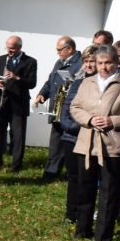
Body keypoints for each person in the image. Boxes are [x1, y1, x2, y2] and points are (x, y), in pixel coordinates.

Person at [69, 44, 120, 241]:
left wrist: (112, 121)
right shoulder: (87, 82)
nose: (104, 67)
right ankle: (82, 230)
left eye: (108, 62)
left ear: (117, 63)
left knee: (109, 192)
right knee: (85, 189)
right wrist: (90, 119)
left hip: (112, 146)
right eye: (100, 63)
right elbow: (75, 107)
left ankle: (102, 237)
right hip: (86, 143)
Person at [34, 36, 82, 179]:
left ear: (70, 49)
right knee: (55, 142)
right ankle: (51, 172)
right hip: (57, 108)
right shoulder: (59, 62)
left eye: (59, 50)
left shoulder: (81, 63)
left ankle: (70, 172)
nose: (58, 53)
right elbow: (50, 80)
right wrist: (42, 94)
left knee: (69, 142)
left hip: (69, 110)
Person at [59, 46, 97, 225]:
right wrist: (68, 126)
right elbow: (67, 106)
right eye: (86, 61)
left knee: (86, 179)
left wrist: (82, 126)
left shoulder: (100, 85)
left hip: (88, 136)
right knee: (73, 177)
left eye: (92, 62)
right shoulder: (77, 83)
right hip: (70, 136)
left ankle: (83, 215)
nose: (88, 65)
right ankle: (70, 213)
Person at [0, 35, 38, 172]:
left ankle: (16, 167)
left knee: (18, 136)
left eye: (12, 49)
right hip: (1, 102)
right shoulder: (1, 59)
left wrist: (16, 78)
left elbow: (32, 83)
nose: (9, 51)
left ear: (20, 47)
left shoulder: (30, 61)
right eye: (7, 48)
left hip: (18, 104)